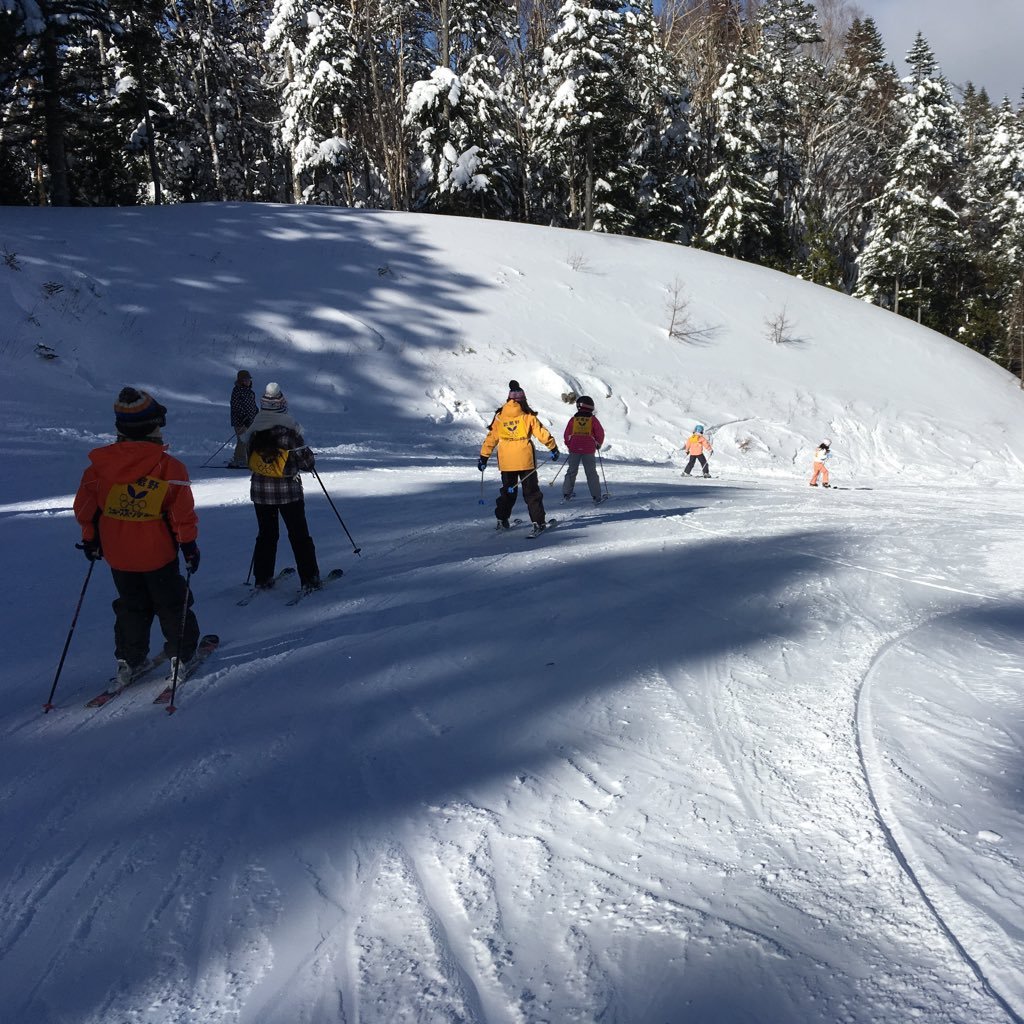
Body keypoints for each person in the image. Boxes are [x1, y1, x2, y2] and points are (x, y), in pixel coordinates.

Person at [73, 387, 201, 686]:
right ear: (153, 427)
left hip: (118, 555)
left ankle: (129, 660)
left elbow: (86, 509)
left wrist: (91, 539)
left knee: (132, 606)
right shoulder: (169, 468)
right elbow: (181, 515)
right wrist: (189, 546)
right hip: (158, 554)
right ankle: (181, 655)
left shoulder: (99, 468)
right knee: (171, 604)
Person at [243, 382, 321, 593]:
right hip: (289, 494)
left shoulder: (254, 431)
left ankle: (262, 577)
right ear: (281, 406)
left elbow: (246, 457)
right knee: (299, 535)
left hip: (260, 492)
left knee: (266, 534)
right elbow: (307, 463)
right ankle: (309, 578)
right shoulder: (289, 433)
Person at [479, 380, 559, 535]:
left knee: (508, 491)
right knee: (531, 492)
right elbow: (541, 432)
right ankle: (538, 522)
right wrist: (553, 447)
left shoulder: (500, 416)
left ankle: (502, 519)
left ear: (508, 399)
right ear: (523, 400)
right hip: (525, 460)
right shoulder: (527, 415)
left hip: (507, 460)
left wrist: (484, 457)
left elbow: (491, 438)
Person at [562, 395, 605, 503]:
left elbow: (567, 434)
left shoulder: (573, 420)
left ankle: (567, 493)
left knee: (571, 471)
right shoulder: (593, 420)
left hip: (574, 449)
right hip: (588, 450)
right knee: (591, 473)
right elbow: (600, 433)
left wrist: (569, 445)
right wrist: (598, 444)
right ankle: (596, 496)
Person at [228, 369, 258, 468]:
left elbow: (253, 406)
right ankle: (239, 459)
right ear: (240, 380)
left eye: (248, 379)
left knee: (249, 440)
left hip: (250, 421)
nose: (247, 381)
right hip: (240, 421)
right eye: (244, 379)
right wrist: (244, 417)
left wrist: (257, 413)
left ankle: (248, 458)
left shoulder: (250, 392)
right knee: (242, 440)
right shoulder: (237, 390)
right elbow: (236, 406)